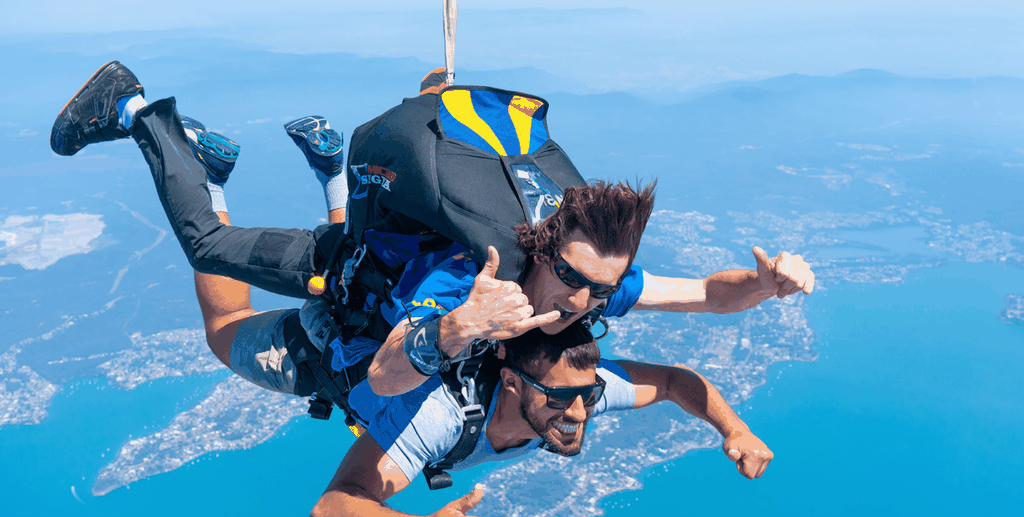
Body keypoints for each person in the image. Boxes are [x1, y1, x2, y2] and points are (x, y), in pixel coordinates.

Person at [49, 61, 816, 406]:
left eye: (601, 288)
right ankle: (135, 108)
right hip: (337, 269)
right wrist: (458, 326)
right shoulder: (472, 279)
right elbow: (387, 374)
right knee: (209, 249)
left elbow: (705, 295)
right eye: (574, 277)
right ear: (544, 247)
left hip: (367, 279)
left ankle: (245, 162)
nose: (584, 300)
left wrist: (764, 285)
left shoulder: (585, 289)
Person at [313, 321, 773, 517]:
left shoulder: (577, 389)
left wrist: (734, 429)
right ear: (512, 382)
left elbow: (672, 381)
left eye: (589, 394)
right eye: (559, 398)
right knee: (259, 316)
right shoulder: (440, 416)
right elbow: (330, 510)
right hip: (319, 359)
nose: (579, 413)